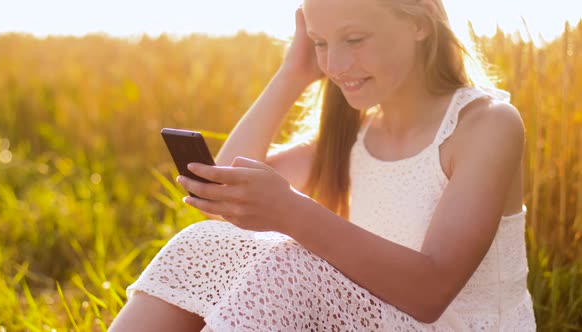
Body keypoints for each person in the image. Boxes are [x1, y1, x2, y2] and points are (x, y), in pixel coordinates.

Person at [109, 0, 537, 330]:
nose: (333, 64)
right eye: (320, 43)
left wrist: (293, 213)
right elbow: (222, 191)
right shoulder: (358, 137)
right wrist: (292, 74)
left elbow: (431, 292)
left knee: (287, 268)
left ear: (420, 23)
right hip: (382, 319)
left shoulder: (485, 125)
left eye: (354, 39)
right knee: (206, 242)